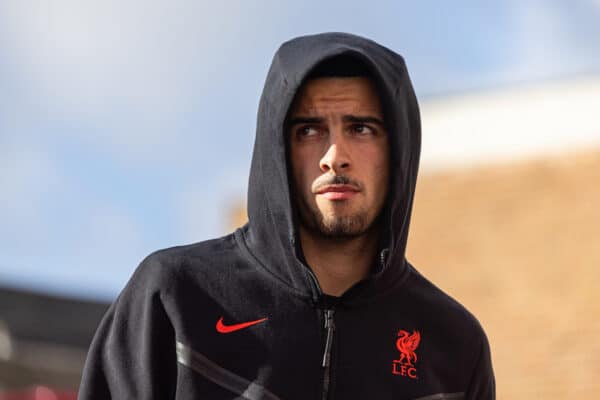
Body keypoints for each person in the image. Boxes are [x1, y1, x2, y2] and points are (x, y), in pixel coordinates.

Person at [79, 32, 495, 399]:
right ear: (278, 148)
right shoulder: (175, 298)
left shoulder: (454, 349)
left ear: (398, 152)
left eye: (361, 128)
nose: (335, 157)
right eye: (310, 130)